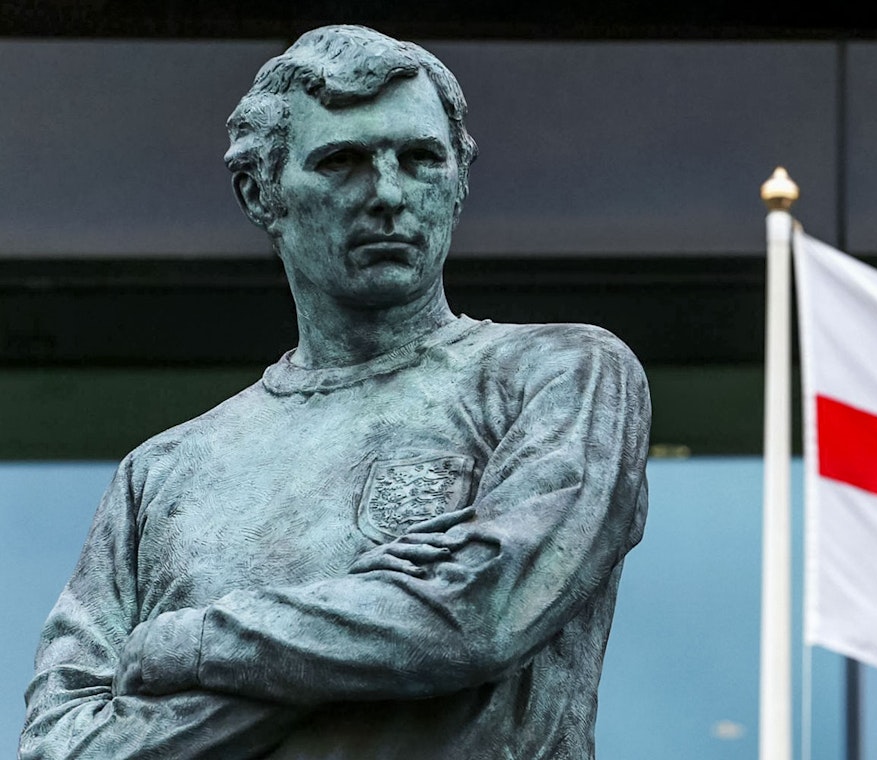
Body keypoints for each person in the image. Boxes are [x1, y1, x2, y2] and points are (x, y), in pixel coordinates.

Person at [21, 25, 650, 760]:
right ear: (260, 193)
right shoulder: (162, 474)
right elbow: (60, 747)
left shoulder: (561, 373)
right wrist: (373, 628)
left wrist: (190, 643)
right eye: (341, 162)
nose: (387, 194)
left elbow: (484, 614)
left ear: (460, 181)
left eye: (420, 159)